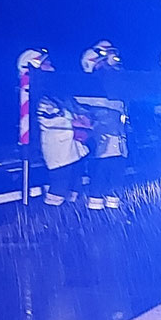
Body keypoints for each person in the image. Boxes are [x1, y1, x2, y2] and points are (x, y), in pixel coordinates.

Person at [27, 50, 88, 205]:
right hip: (58, 149)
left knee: (74, 184)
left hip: (71, 147)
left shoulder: (55, 93)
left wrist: (83, 117)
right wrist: (74, 122)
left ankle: (70, 214)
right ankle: (51, 214)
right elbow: (51, 119)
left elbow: (72, 108)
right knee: (59, 185)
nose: (51, 66)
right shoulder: (38, 98)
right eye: (45, 64)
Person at [76, 41, 129, 211]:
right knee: (100, 171)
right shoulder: (87, 88)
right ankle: (95, 209)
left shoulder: (115, 83)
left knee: (116, 172)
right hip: (101, 139)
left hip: (117, 137)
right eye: (103, 63)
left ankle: (113, 209)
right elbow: (86, 114)